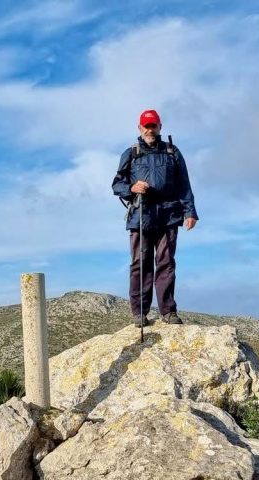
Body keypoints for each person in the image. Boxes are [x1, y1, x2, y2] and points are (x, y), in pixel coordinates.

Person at [111, 109, 198, 327]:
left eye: (154, 125)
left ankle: (168, 311)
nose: (150, 130)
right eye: (146, 126)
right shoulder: (131, 153)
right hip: (141, 215)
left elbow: (184, 184)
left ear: (160, 127)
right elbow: (117, 184)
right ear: (139, 128)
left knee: (166, 263)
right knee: (140, 263)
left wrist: (190, 211)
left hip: (169, 214)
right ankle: (139, 312)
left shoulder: (172, 152)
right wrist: (132, 187)